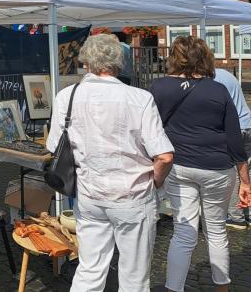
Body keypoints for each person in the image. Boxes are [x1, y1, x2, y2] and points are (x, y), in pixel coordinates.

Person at [46, 34, 174, 292]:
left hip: (89, 195)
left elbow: (53, 147)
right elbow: (164, 156)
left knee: (89, 270)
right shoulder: (139, 98)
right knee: (134, 278)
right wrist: (156, 183)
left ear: (86, 62)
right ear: (119, 61)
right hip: (132, 196)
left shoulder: (66, 96)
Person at [149, 36, 251, 292]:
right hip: (217, 167)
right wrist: (245, 179)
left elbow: (148, 130)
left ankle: (174, 288)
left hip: (179, 165)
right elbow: (234, 138)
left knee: (183, 231)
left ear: (174, 57)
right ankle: (222, 288)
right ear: (205, 57)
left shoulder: (158, 88)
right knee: (216, 231)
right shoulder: (218, 89)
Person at [214, 67, 251, 228]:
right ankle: (248, 214)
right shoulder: (225, 74)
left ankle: (236, 217)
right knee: (247, 170)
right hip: (248, 123)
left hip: (234, 128)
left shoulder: (211, 79)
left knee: (234, 172)